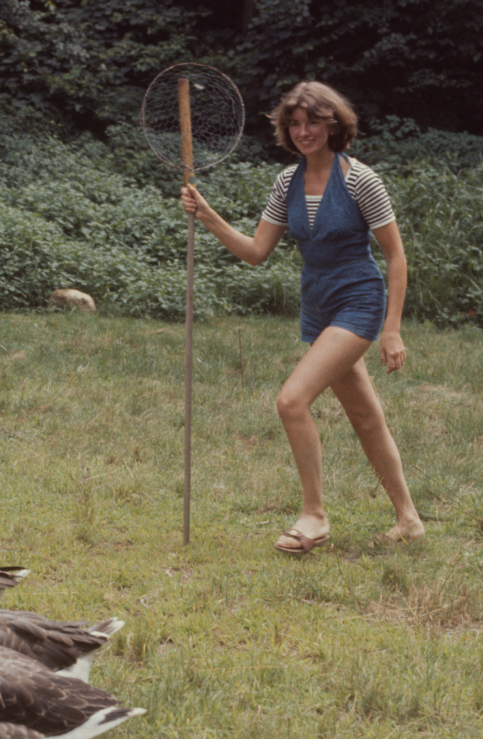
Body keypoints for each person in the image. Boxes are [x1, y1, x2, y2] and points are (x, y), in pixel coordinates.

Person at [181, 81, 424, 553]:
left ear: (335, 123)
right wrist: (208, 215)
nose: (303, 131)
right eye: (294, 124)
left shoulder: (360, 180)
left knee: (292, 401)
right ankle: (409, 520)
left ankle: (314, 515)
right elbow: (255, 252)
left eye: (312, 121)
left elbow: (396, 257)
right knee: (365, 417)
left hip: (359, 300)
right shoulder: (286, 182)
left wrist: (391, 329)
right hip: (318, 303)